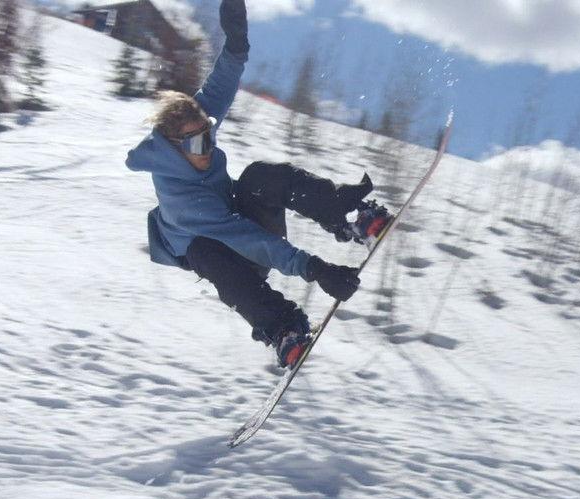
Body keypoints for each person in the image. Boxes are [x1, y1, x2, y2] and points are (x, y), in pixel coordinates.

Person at [125, 0, 391, 367]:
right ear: (173, 150)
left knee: (258, 176)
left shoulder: (192, 130)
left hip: (242, 228)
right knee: (202, 250)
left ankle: (345, 216)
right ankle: (282, 328)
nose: (207, 147)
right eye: (198, 143)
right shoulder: (183, 200)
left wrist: (236, 44)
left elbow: (221, 84)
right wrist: (316, 269)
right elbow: (252, 241)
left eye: (209, 135)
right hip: (230, 259)